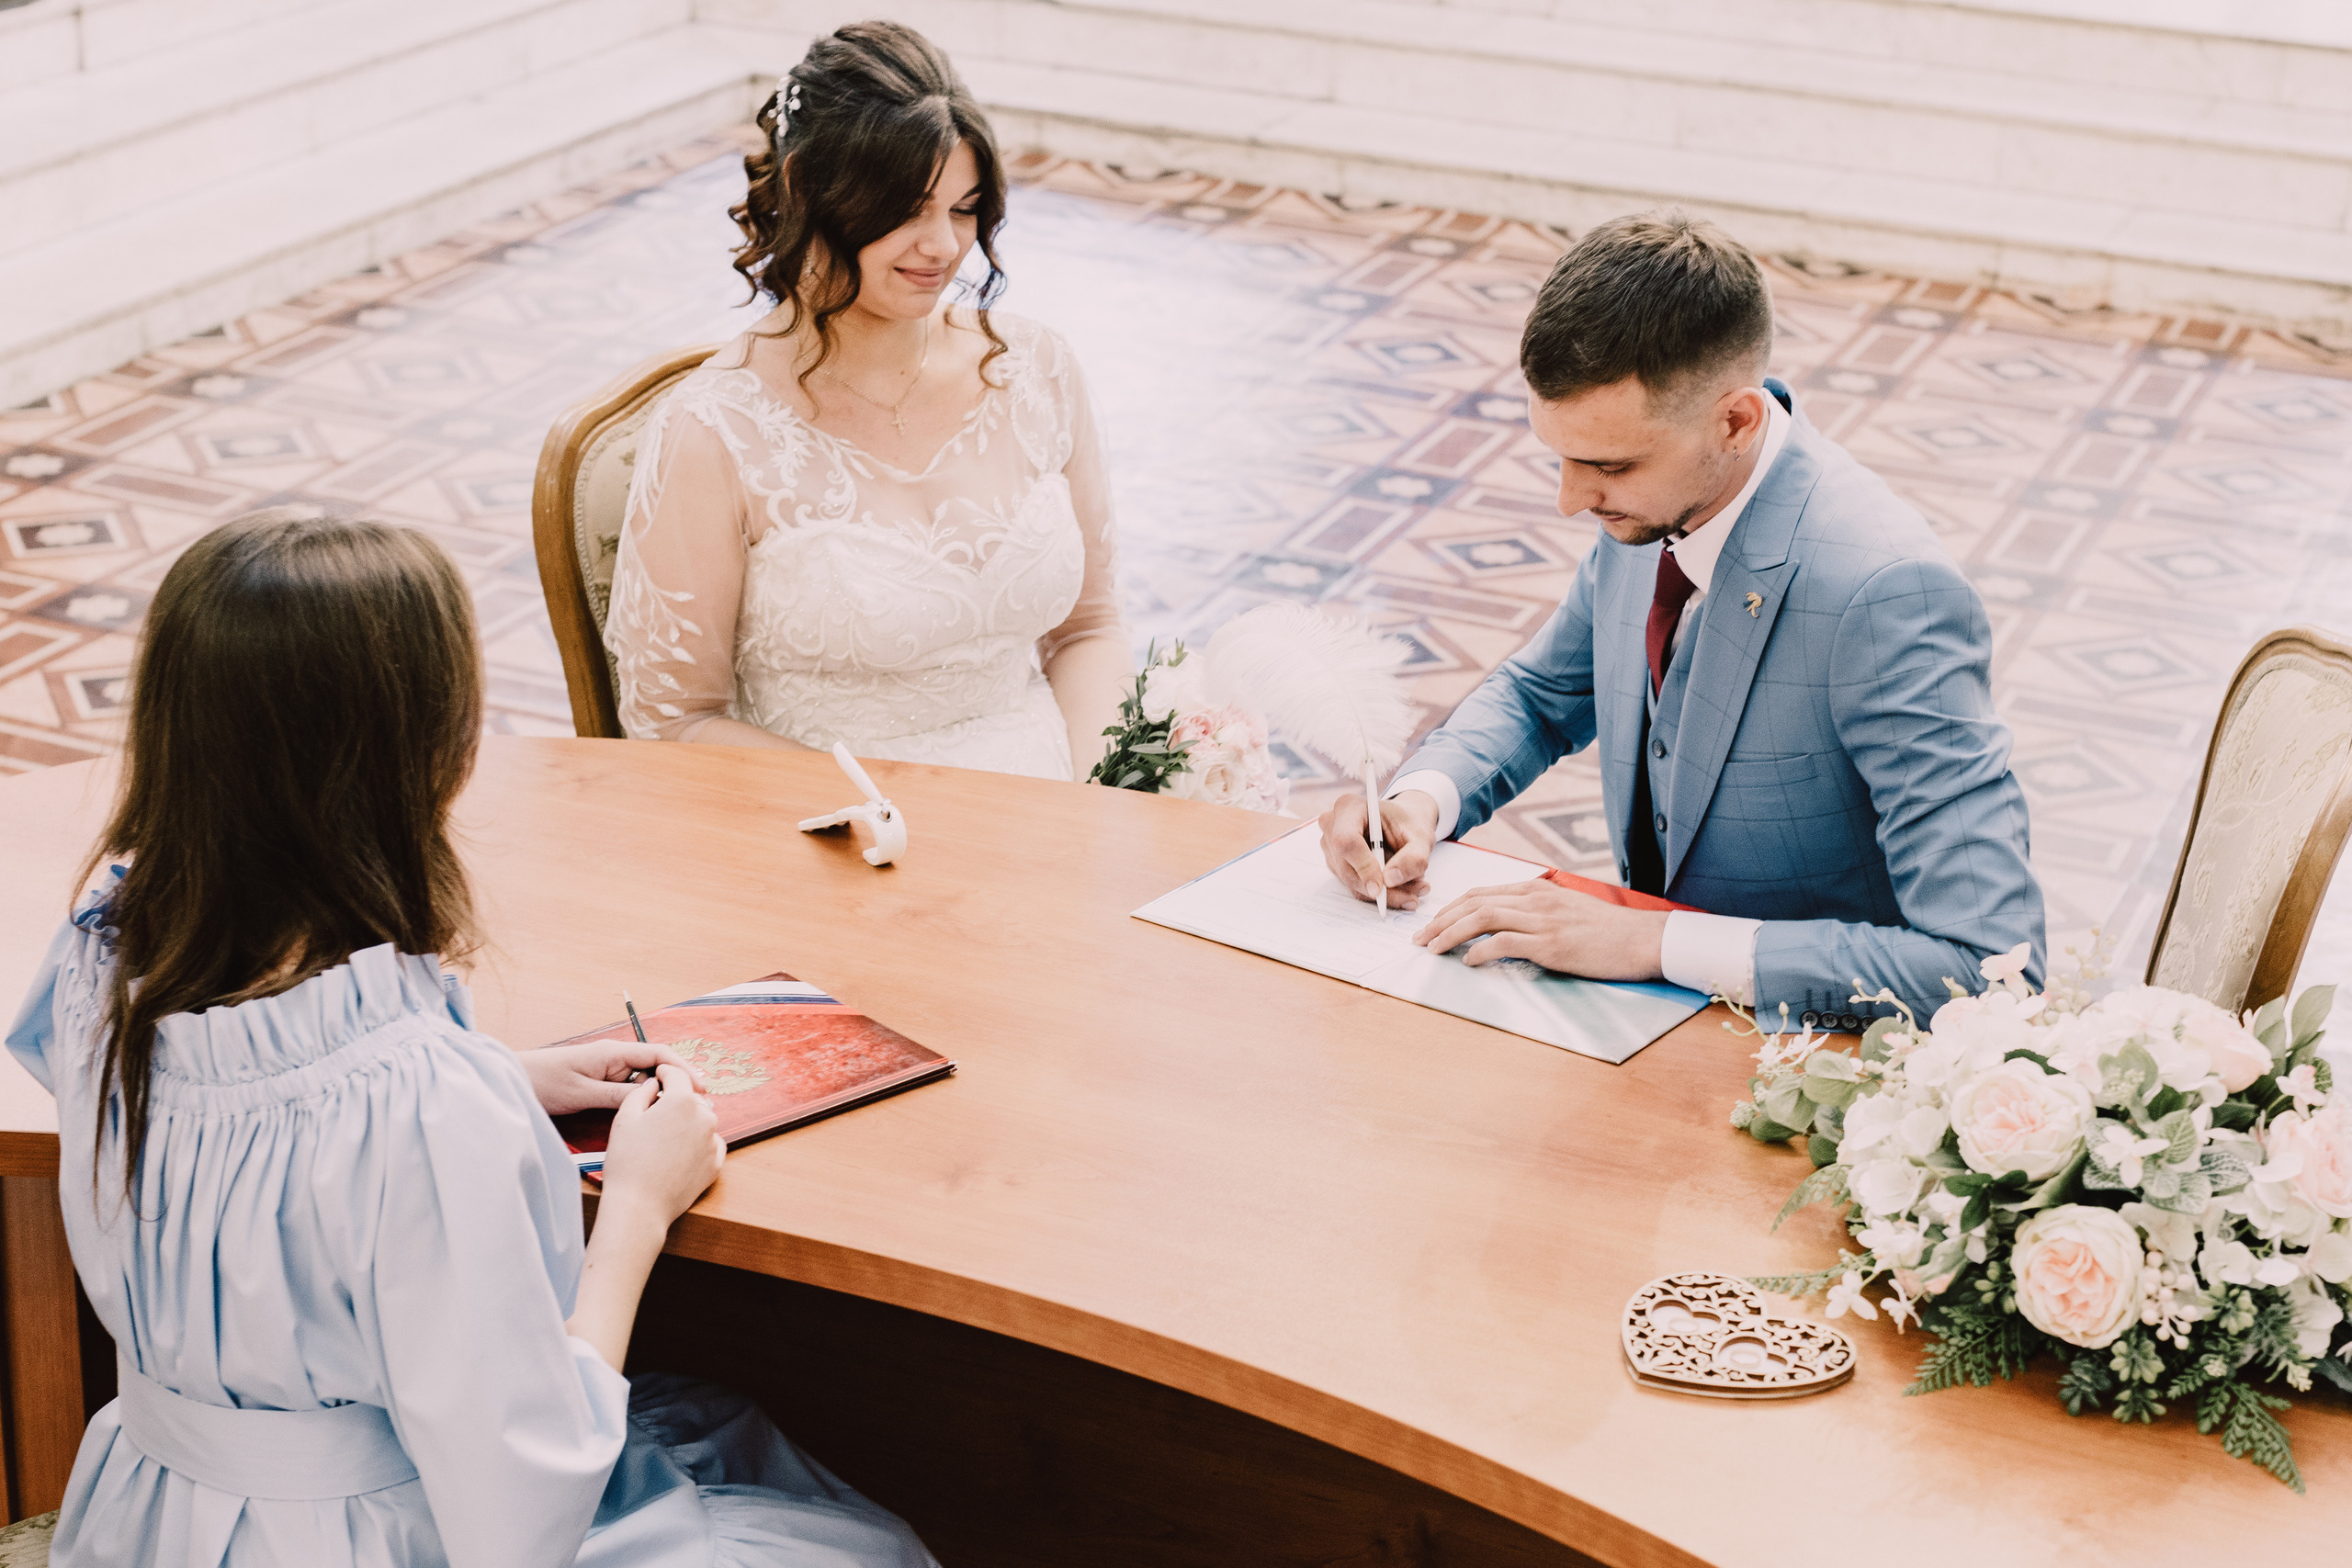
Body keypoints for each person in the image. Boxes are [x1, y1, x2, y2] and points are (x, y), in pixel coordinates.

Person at [6, 511, 938, 1568]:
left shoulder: (105, 956)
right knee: (872, 1546)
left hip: (161, 1518)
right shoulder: (419, 1106)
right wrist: (634, 1206)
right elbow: (520, 1514)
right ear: (427, 756)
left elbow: (230, 1164)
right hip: (385, 1540)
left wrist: (502, 1079)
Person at [1319, 211, 2045, 1028]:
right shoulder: (1655, 504)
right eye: (1559, 456)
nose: (1570, 500)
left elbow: (1989, 967)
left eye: (1608, 465)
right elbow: (1541, 694)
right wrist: (1422, 801)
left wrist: (1656, 942)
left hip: (1819, 1054)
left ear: (1735, 421)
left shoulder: (1887, 594)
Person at [605, 21, 1128, 781]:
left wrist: (1093, 797)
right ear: (806, 191)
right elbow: (673, 722)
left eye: (964, 207)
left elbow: (1089, 628)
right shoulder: (713, 430)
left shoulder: (1036, 369)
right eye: (909, 209)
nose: (945, 247)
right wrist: (892, 812)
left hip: (1052, 804)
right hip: (841, 837)